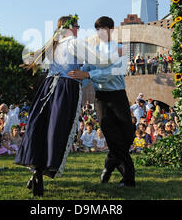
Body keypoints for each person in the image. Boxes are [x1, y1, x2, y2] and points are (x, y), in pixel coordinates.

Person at [15, 14, 121, 196]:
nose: (79, 29)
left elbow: (36, 61)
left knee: (42, 127)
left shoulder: (53, 45)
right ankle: (44, 168)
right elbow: (98, 60)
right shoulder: (72, 42)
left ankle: (36, 170)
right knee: (57, 130)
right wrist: (113, 57)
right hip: (65, 88)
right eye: (77, 25)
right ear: (70, 27)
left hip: (47, 87)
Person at [69, 16, 136, 188]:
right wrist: (74, 78)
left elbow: (112, 72)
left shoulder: (120, 49)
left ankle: (108, 166)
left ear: (111, 30)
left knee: (127, 136)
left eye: (104, 28)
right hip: (101, 98)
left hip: (118, 96)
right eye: (98, 29)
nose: (101, 32)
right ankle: (129, 178)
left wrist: (88, 75)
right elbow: (83, 72)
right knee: (112, 137)